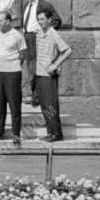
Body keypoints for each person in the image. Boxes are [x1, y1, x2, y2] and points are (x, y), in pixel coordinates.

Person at [0, 9, 27, 145]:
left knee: (14, 103)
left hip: (12, 72)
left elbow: (23, 54)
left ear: (8, 21)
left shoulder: (17, 35)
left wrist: (12, 64)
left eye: (0, 20)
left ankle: (16, 134)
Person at [18, 0, 60, 106]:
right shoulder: (26, 4)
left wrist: (44, 33)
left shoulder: (44, 5)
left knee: (36, 67)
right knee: (30, 67)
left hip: (36, 38)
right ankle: (34, 95)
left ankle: (36, 96)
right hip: (27, 38)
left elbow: (57, 20)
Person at [33, 10, 71, 142]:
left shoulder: (53, 34)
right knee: (44, 106)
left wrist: (55, 65)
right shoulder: (39, 33)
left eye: (42, 19)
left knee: (51, 105)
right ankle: (50, 132)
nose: (40, 21)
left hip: (49, 75)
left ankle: (57, 133)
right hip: (39, 73)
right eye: (38, 19)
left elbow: (67, 50)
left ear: (49, 20)